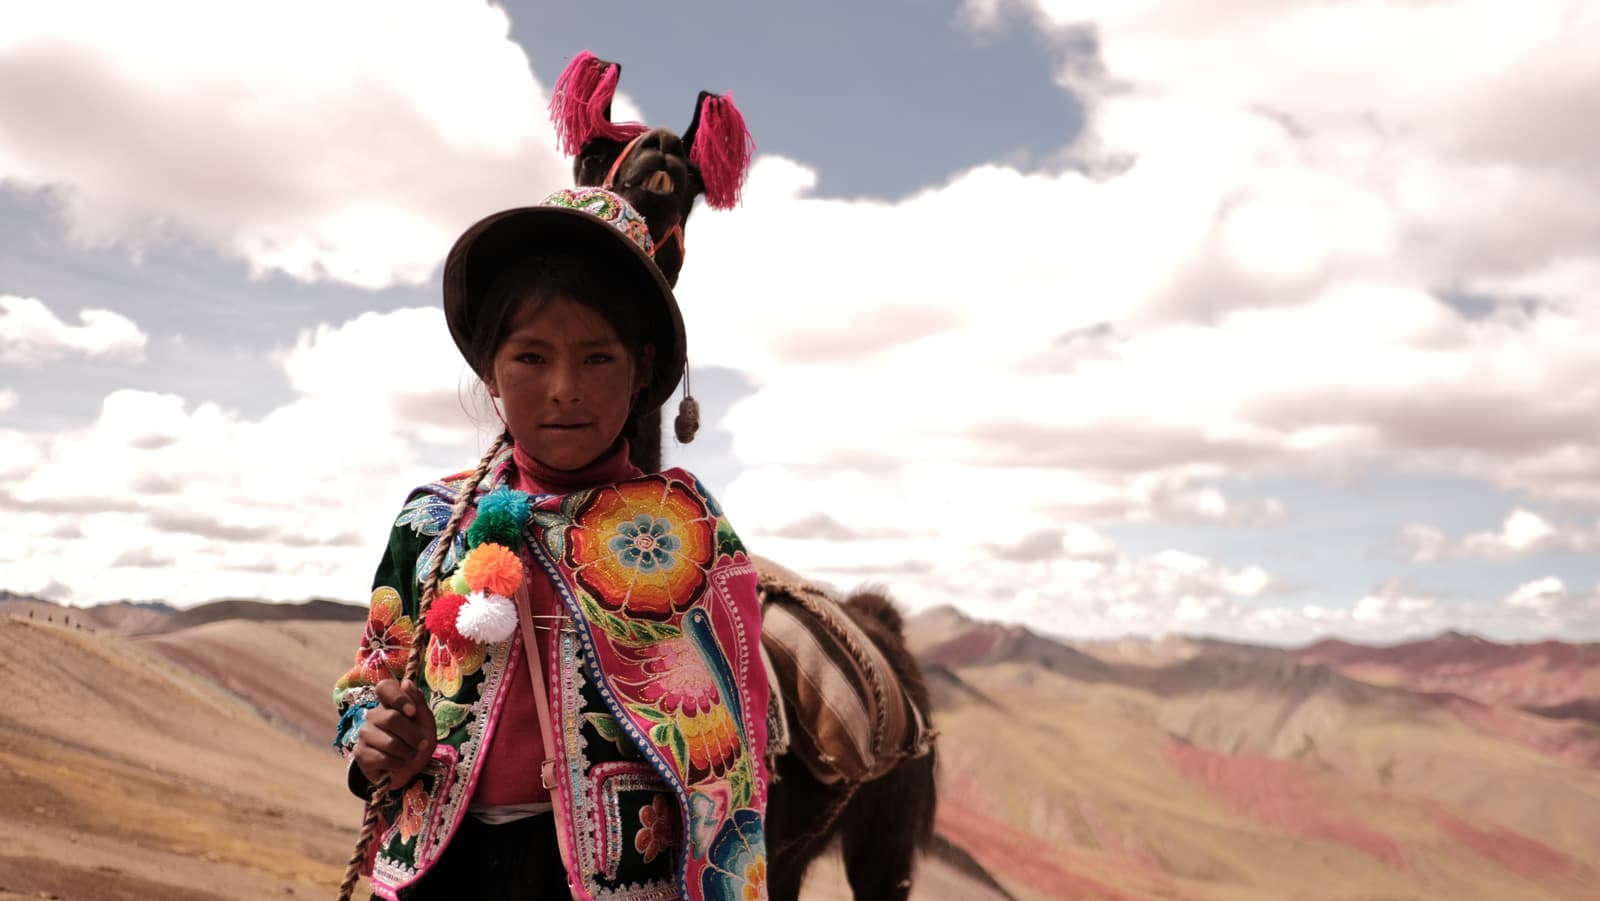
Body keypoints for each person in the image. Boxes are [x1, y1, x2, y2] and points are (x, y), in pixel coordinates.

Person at [331, 187, 770, 901]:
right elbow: (364, 684)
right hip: (439, 873)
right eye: (531, 357)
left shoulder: (684, 532)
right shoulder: (431, 522)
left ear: (641, 366)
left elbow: (735, 743)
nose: (565, 389)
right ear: (489, 371)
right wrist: (375, 738)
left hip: (618, 880)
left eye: (597, 358)